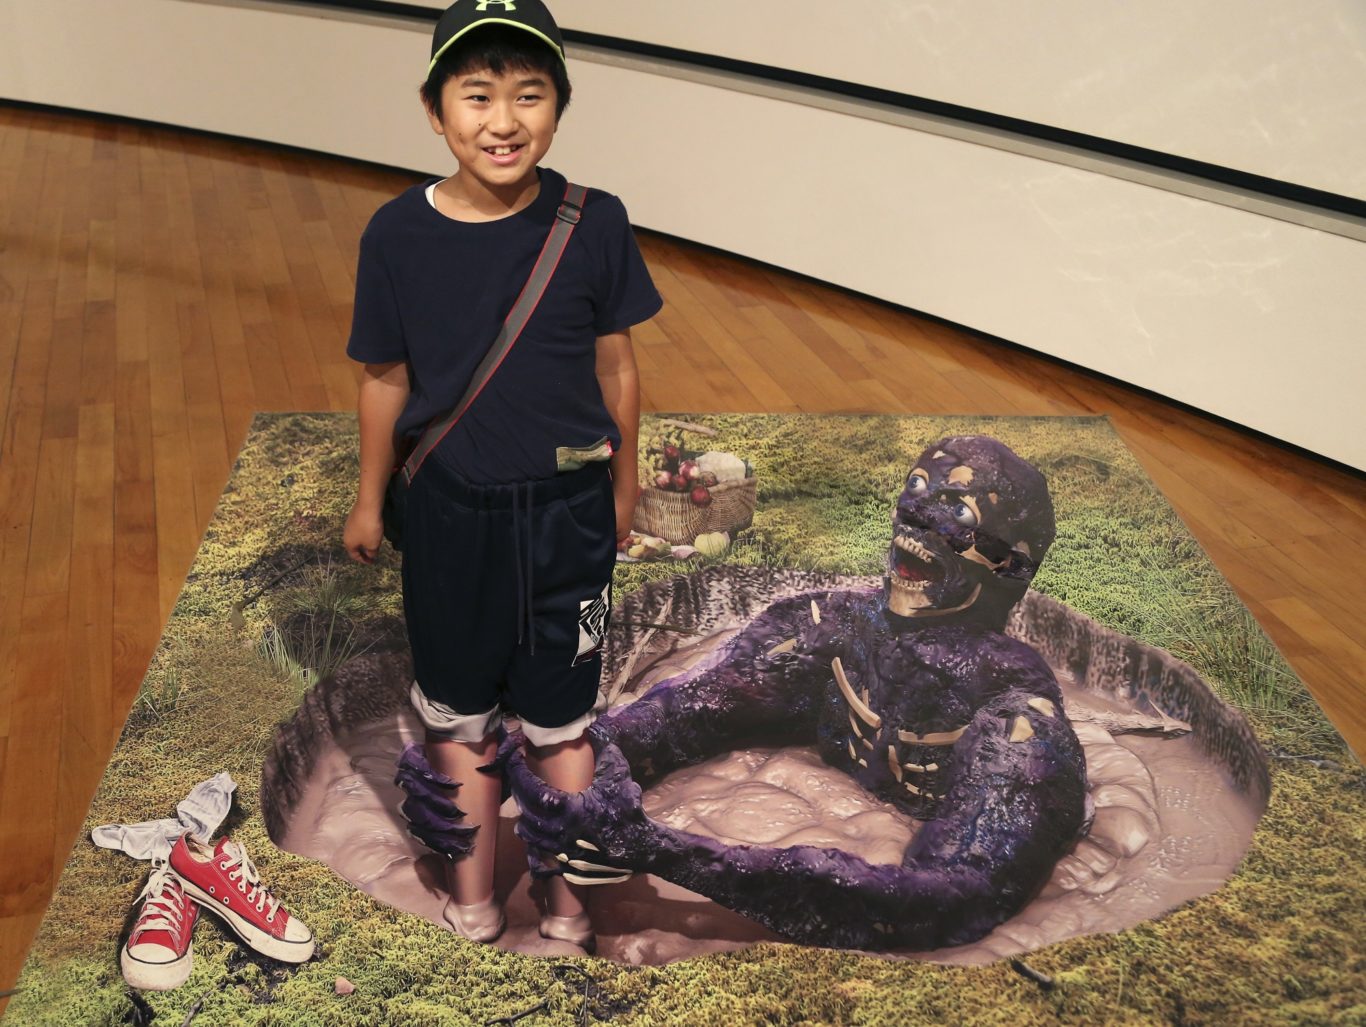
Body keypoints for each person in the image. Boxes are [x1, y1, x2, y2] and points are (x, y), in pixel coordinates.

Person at [342, 0, 662, 953]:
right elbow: (384, 377)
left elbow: (618, 364)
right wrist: (369, 497)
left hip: (569, 518)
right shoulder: (395, 234)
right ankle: (475, 896)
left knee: (563, 723)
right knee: (458, 715)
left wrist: (626, 479)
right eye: (476, 95)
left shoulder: (593, 222)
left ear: (560, 106)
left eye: (530, 94)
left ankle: (568, 904)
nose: (504, 120)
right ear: (435, 112)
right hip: (449, 516)